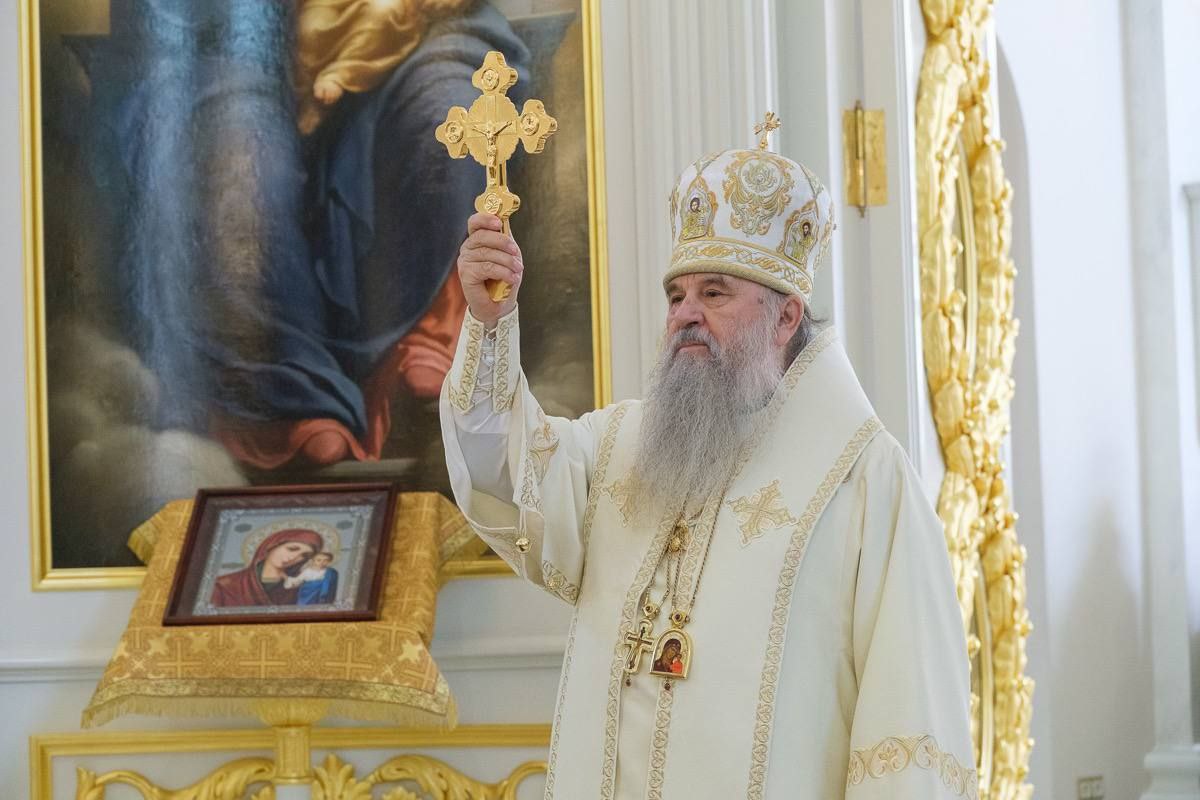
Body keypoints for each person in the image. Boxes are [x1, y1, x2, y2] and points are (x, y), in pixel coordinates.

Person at [439, 140, 975, 797]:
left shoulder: (864, 483)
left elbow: (911, 731)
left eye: (714, 293)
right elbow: (503, 475)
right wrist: (490, 324)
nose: (685, 314)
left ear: (785, 317)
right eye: (676, 295)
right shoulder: (620, 448)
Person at [210, 529, 324, 607]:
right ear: (271, 546)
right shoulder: (224, 585)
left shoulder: (298, 588)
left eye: (304, 556)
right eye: (292, 549)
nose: (294, 557)